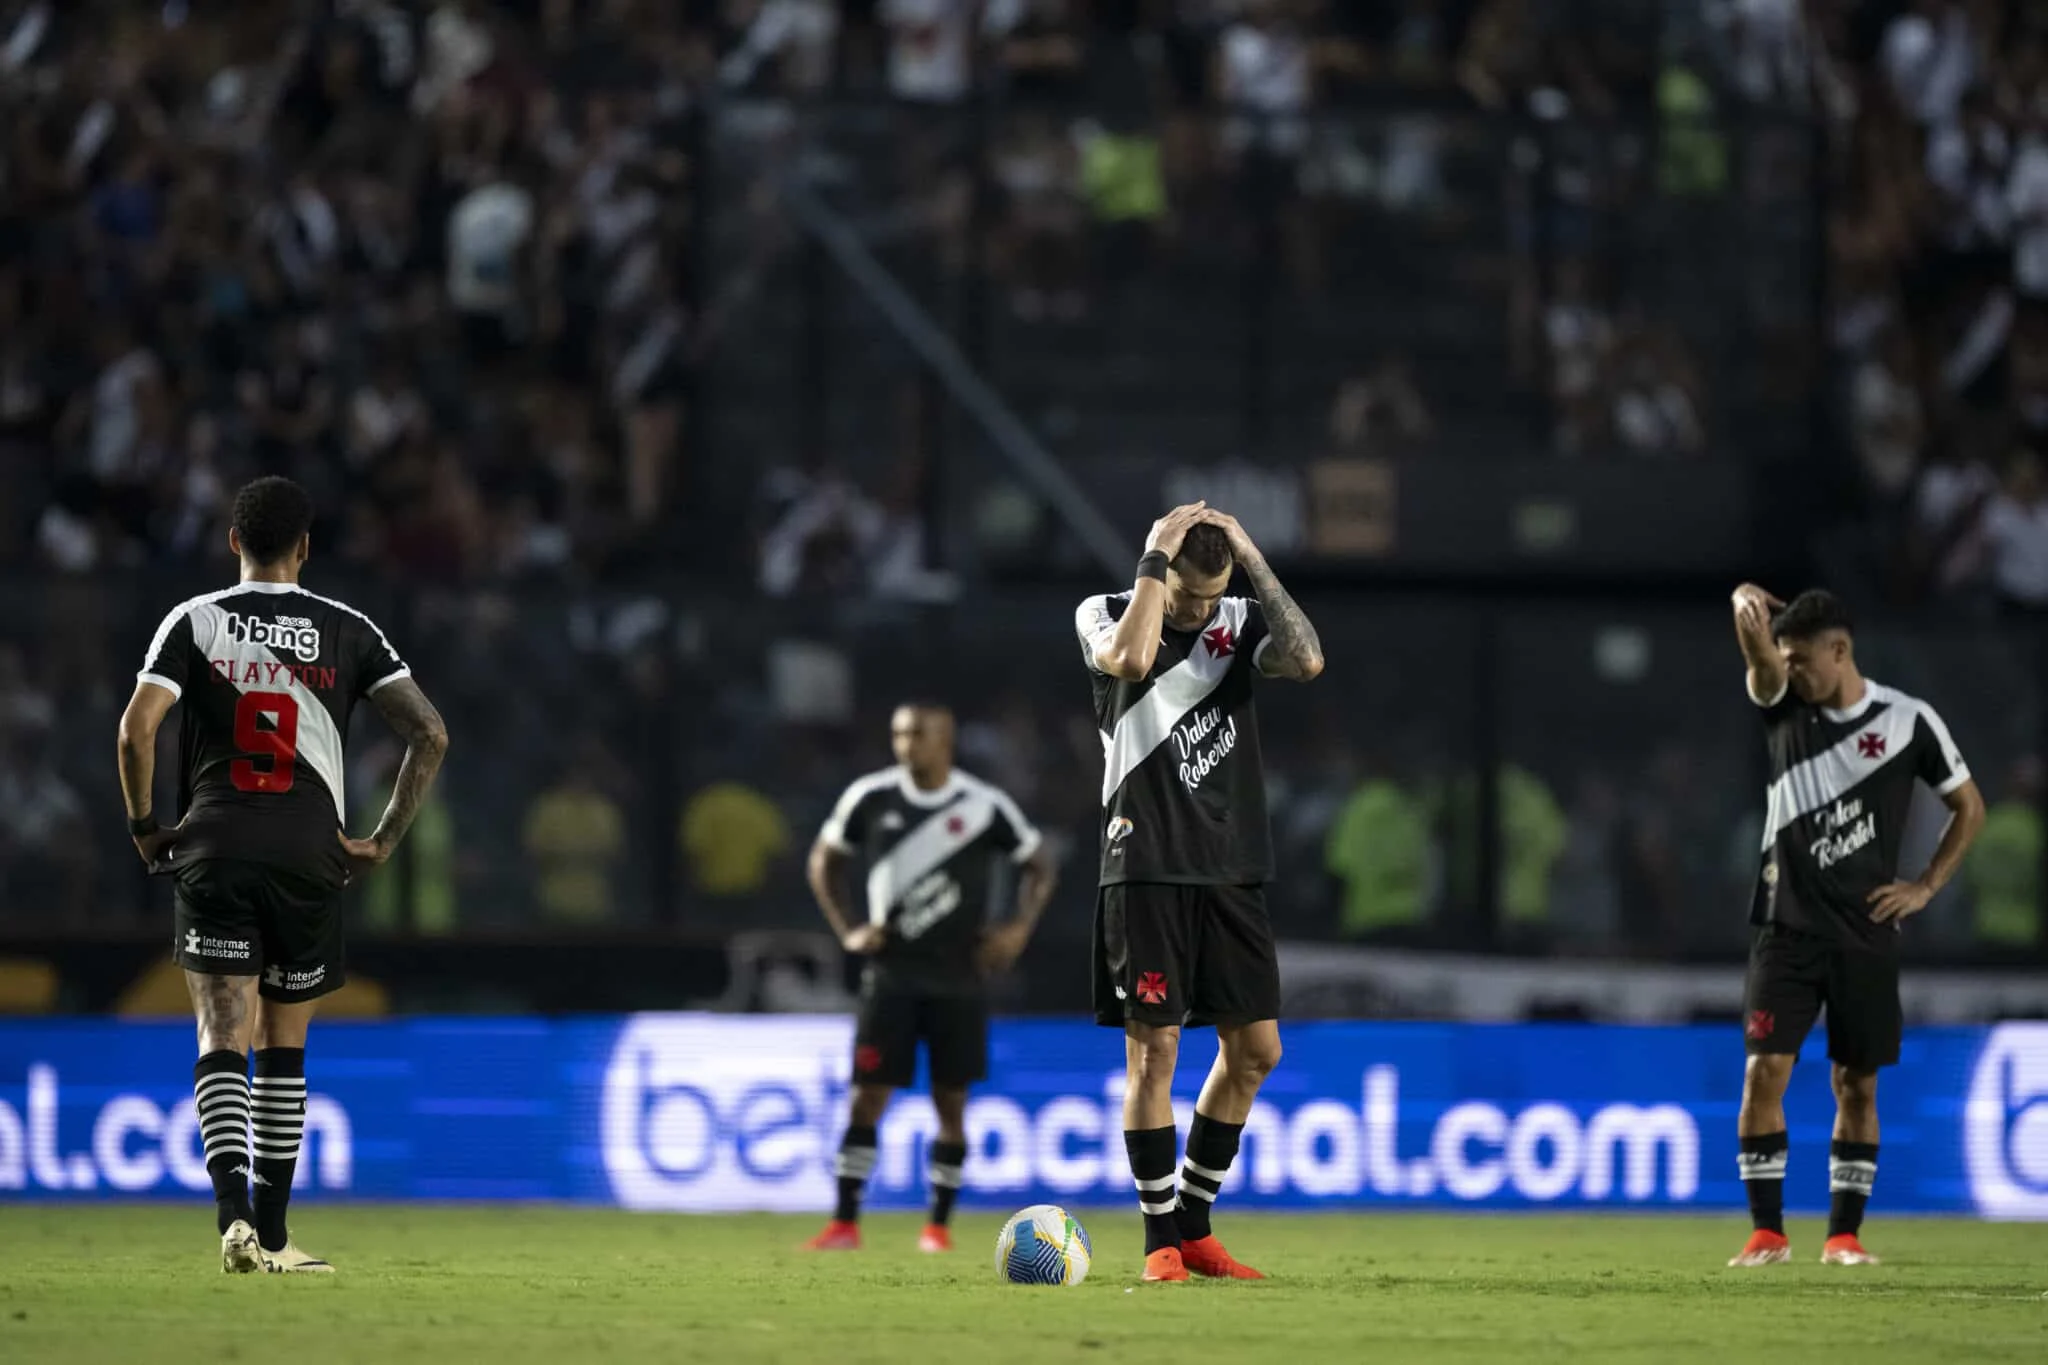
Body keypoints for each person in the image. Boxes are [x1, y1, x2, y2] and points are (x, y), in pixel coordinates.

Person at [116, 477, 450, 1274]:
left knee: (220, 1031)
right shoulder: (348, 628)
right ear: (306, 547)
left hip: (215, 845)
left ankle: (230, 1216)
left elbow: (136, 733)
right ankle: (271, 1233)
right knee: (284, 1043)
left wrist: (142, 829)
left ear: (232, 541)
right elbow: (429, 734)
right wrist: (382, 839)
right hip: (310, 854)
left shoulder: (193, 622)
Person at [1075, 503, 1325, 1283]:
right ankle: (1159, 1243)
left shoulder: (1236, 615)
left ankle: (1196, 1224)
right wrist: (1155, 559)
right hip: (1146, 862)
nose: (1201, 611)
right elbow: (1130, 659)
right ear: (1158, 571)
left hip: (1231, 863)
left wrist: (1249, 557)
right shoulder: (1107, 611)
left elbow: (1308, 659)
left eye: (1212, 598)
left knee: (1256, 1050)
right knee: (1156, 1049)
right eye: (1189, 596)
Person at [1726, 585, 1983, 1268]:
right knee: (1763, 1074)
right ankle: (1767, 1232)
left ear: (1840, 651)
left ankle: (1843, 1235)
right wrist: (1743, 609)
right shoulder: (1782, 708)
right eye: (1784, 659)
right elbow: (1757, 661)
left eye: (1802, 660)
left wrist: (1925, 885)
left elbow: (1970, 806)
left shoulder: (1908, 721)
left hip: (1866, 932)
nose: (1791, 672)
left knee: (1858, 1084)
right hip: (1785, 929)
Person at [803, 703, 1057, 1254]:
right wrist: (848, 929)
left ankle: (937, 1228)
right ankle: (844, 1222)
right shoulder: (870, 797)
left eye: (916, 733)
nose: (905, 744)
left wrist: (1017, 931)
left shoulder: (983, 805)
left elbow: (1039, 864)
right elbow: (823, 860)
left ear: (946, 738)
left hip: (958, 977)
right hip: (890, 975)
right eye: (897, 733)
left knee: (951, 1103)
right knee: (866, 1097)